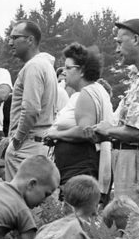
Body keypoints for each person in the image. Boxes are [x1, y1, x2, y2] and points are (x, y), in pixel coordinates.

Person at [86, 18, 139, 231]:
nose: (116, 49)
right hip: (134, 159)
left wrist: (107, 131)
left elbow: (137, 132)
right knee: (128, 229)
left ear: (136, 40)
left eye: (119, 42)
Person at [46, 43, 113, 193]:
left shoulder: (87, 92)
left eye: (68, 68)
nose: (64, 72)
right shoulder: (96, 90)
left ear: (82, 71)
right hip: (80, 168)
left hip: (80, 168)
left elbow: (85, 131)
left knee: (77, 214)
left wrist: (56, 134)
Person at [2, 20, 57, 181]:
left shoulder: (34, 66)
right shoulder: (45, 66)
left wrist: (17, 140)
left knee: (19, 201)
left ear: (30, 40)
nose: (10, 42)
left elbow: (31, 109)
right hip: (38, 144)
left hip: (27, 146)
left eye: (15, 37)